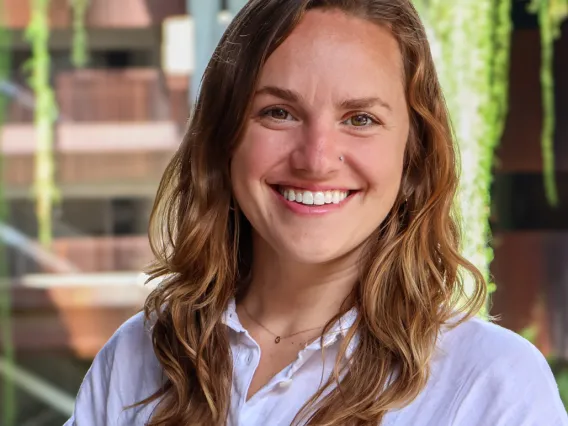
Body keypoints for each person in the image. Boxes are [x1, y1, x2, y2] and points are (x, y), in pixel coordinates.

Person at [64, 0, 568, 425]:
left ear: (412, 156)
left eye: (361, 119)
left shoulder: (493, 385)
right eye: (278, 112)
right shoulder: (139, 354)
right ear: (223, 139)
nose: (317, 158)